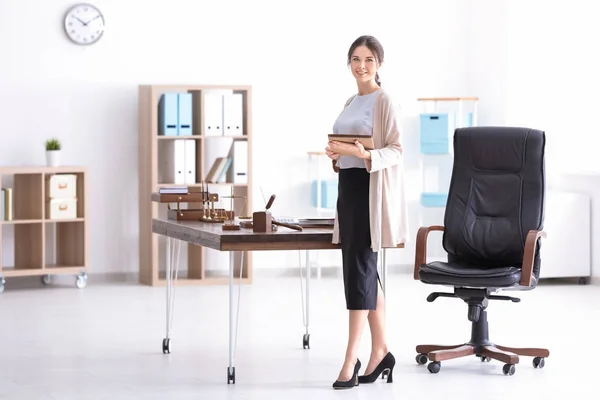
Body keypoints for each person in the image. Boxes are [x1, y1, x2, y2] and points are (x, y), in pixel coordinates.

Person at [326, 35, 409, 390]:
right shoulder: (351, 100)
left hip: (368, 192)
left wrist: (363, 156)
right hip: (349, 189)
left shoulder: (384, 100)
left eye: (369, 60)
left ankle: (351, 359)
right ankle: (381, 351)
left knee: (358, 272)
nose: (362, 65)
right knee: (365, 272)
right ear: (349, 63)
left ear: (379, 65)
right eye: (356, 59)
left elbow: (396, 149)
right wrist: (338, 156)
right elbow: (350, 149)